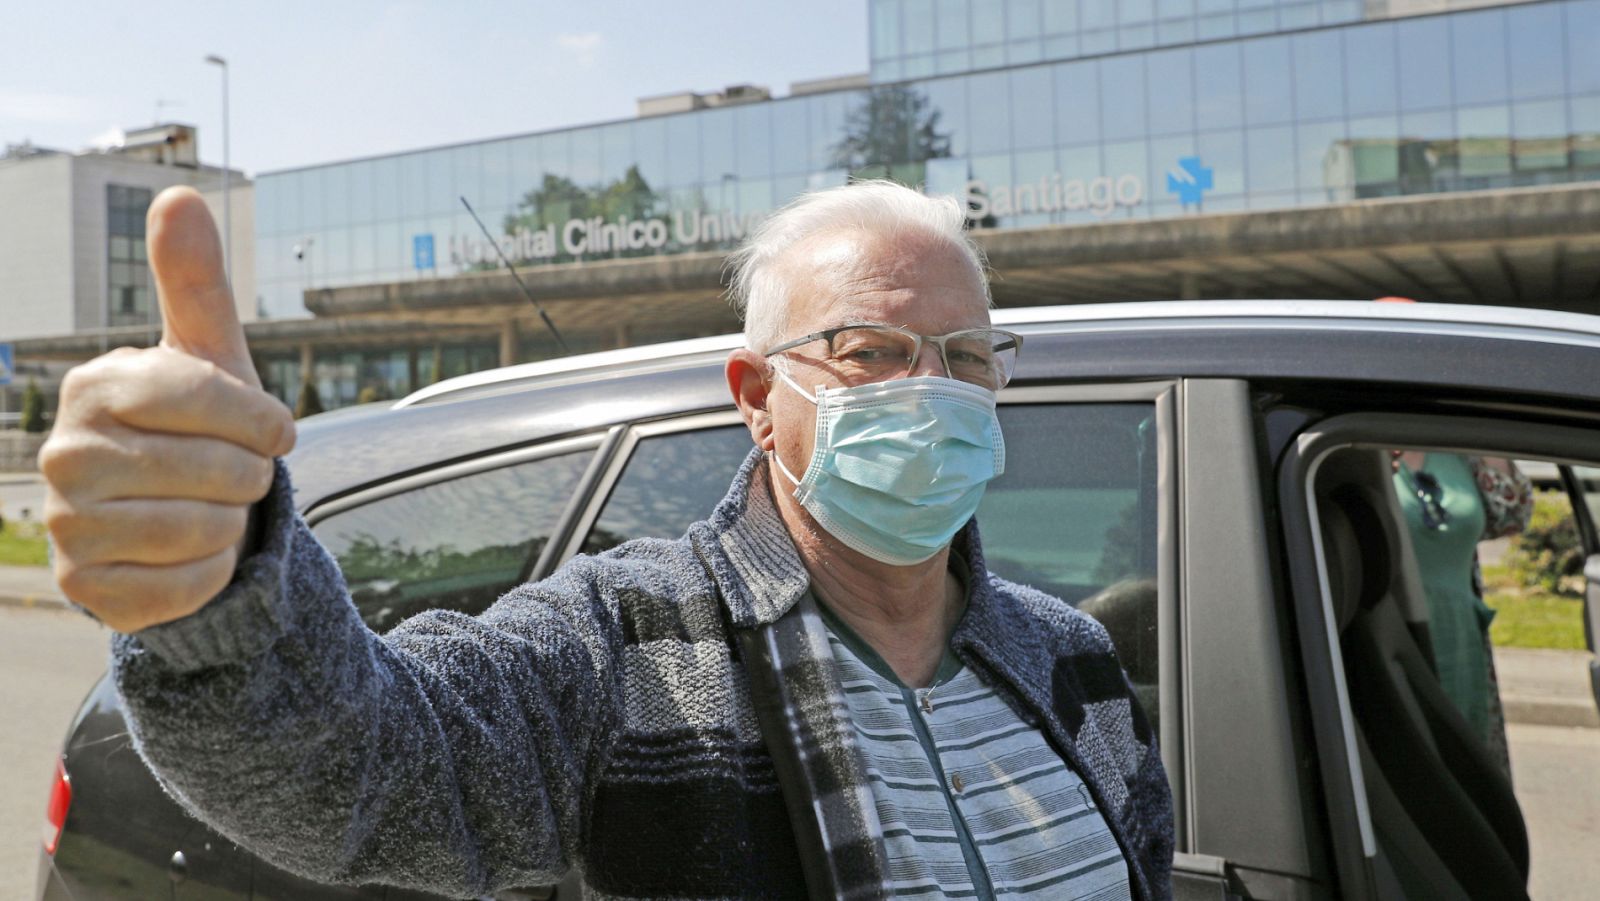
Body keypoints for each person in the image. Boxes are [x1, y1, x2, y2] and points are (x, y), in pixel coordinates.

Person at [40, 181, 1173, 899]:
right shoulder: (626, 647)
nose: (930, 391)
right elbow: (367, 766)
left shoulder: (1066, 654)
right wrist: (224, 597)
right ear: (753, 394)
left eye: (966, 357)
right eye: (870, 350)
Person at [1391, 450, 1533, 770]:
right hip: (1392, 637)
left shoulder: (1457, 447)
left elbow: (1512, 514)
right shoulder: (1355, 441)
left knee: (1469, 772)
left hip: (1463, 643)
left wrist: (1488, 431)